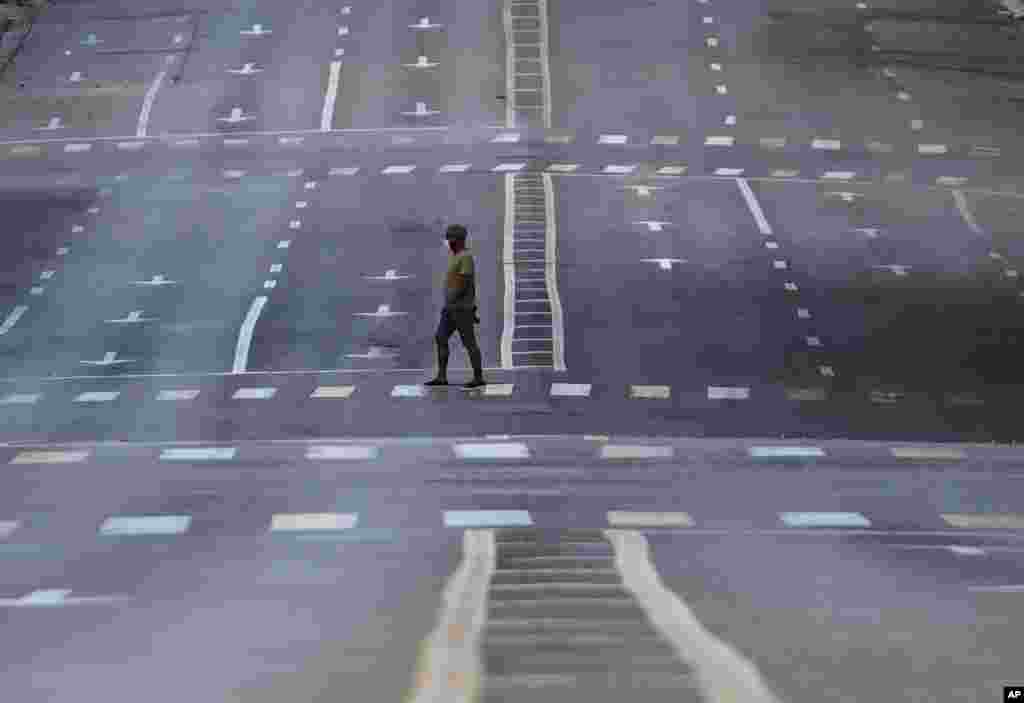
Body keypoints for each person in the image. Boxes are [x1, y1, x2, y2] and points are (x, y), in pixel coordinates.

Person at [425, 224, 486, 388]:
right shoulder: (456, 255)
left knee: (469, 342)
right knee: (440, 337)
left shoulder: (465, 257)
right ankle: (441, 376)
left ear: (459, 240)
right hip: (451, 307)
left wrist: (454, 297)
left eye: (452, 240)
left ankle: (478, 377)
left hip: (462, 308)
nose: (449, 243)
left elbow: (465, 280)